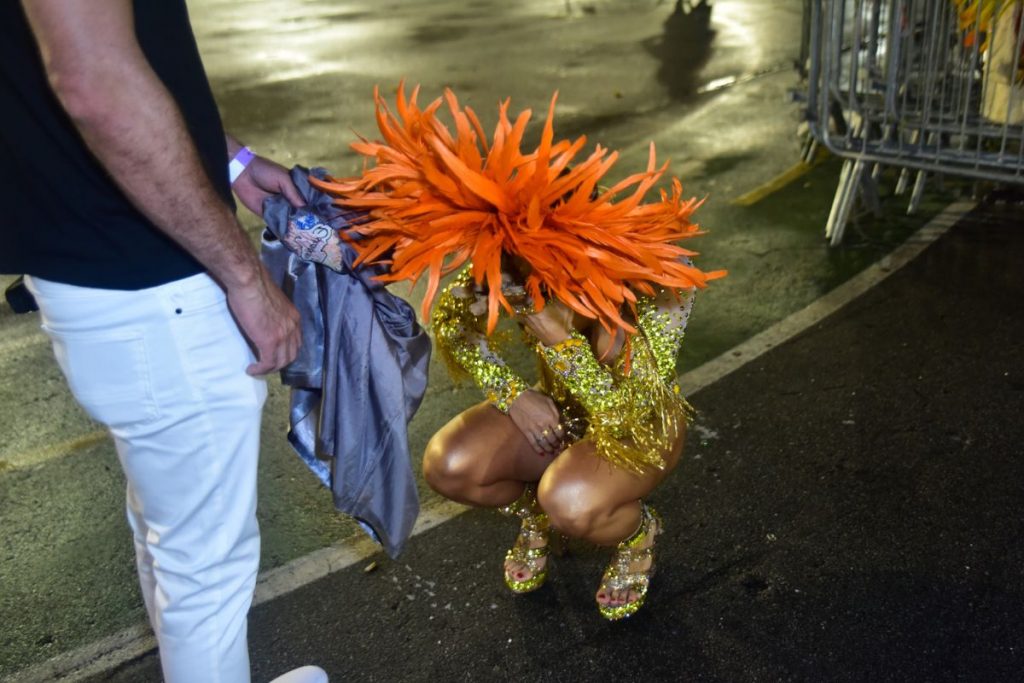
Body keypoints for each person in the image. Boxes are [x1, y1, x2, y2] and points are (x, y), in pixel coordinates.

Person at [311, 85, 726, 621]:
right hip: (560, 417)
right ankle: (537, 515)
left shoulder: (655, 289)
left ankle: (637, 533)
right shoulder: (514, 264)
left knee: (572, 501)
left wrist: (550, 330)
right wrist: (514, 396)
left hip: (639, 428)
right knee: (450, 465)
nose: (525, 272)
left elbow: (625, 410)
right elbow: (453, 323)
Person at [0, 1, 325, 681]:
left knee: (173, 537)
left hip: (99, 272)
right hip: (156, 283)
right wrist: (244, 276)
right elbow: (97, 87)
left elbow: (120, 63)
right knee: (205, 570)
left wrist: (228, 160)